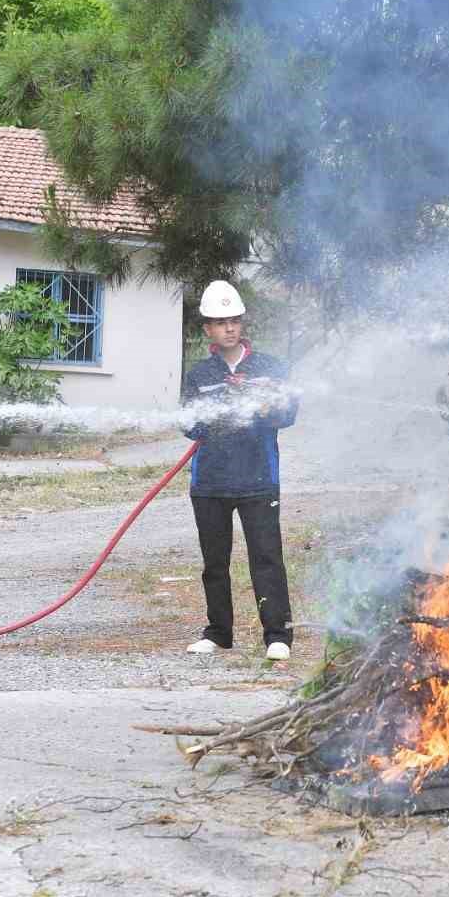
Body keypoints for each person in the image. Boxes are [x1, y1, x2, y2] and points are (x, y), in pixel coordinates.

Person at [180, 280, 299, 661]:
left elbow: (288, 414)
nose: (229, 327)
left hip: (258, 480)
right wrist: (216, 413)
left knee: (266, 558)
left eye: (234, 320)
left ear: (242, 324)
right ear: (208, 330)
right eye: (220, 322)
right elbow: (189, 425)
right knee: (214, 562)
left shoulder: (270, 367)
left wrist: (261, 408)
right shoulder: (199, 374)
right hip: (210, 482)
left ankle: (277, 635)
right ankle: (218, 632)